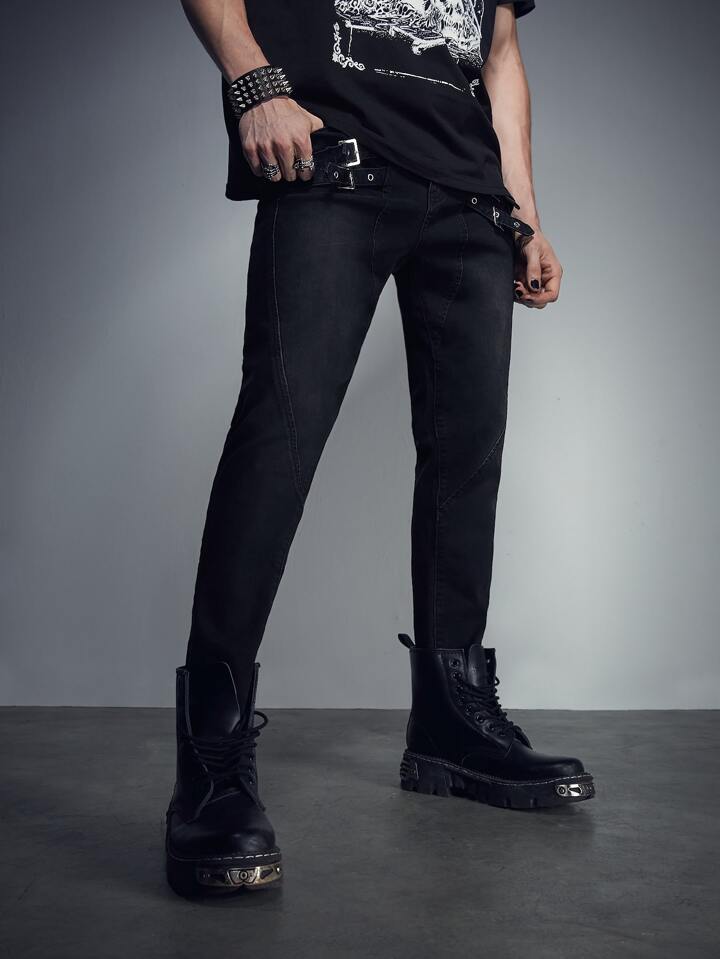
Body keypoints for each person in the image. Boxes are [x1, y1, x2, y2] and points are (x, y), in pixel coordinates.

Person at [165, 0, 595, 897]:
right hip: (333, 163)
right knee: (279, 438)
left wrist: (525, 212)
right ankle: (211, 758)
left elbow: (500, 50)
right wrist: (253, 84)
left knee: (467, 460)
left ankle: (450, 723)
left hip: (471, 198)